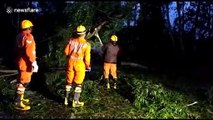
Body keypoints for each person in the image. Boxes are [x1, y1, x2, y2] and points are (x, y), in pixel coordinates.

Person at [64, 25, 91, 107]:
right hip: (80, 64)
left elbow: (66, 52)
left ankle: (66, 100)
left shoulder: (71, 41)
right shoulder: (87, 44)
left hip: (70, 63)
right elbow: (87, 58)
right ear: (84, 33)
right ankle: (75, 102)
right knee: (78, 83)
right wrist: (88, 66)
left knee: (69, 82)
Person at [15, 20, 39, 110]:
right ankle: (18, 103)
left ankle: (19, 98)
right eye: (31, 27)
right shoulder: (28, 36)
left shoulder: (19, 35)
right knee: (24, 82)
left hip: (19, 60)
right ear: (29, 28)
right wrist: (33, 62)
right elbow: (29, 51)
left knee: (20, 80)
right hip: (26, 63)